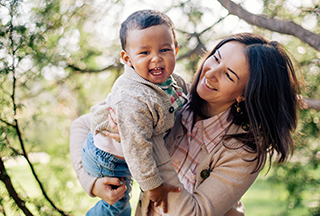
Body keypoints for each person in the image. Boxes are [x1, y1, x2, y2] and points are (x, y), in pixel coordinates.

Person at [70, 32, 301, 215]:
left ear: (245, 94)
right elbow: (81, 125)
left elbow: (193, 213)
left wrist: (147, 137)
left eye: (229, 75)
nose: (210, 73)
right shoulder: (170, 98)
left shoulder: (243, 151)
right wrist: (92, 182)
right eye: (216, 58)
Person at [78, 9, 188, 216]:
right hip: (108, 158)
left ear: (176, 49)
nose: (156, 59)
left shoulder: (172, 81)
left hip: (124, 153)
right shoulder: (134, 98)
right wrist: (153, 187)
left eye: (164, 50)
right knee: (117, 205)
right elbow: (137, 150)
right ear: (127, 59)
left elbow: (185, 94)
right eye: (145, 53)